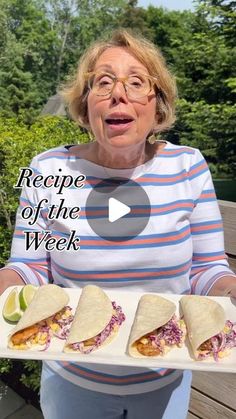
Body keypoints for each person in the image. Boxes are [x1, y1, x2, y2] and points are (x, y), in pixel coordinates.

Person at [0, 29, 236, 419]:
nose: (118, 93)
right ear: (85, 103)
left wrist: (231, 287)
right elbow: (30, 266)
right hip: (72, 378)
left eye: (136, 82)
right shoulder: (47, 169)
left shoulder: (188, 167)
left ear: (157, 104)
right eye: (103, 81)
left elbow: (207, 271)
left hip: (165, 377)